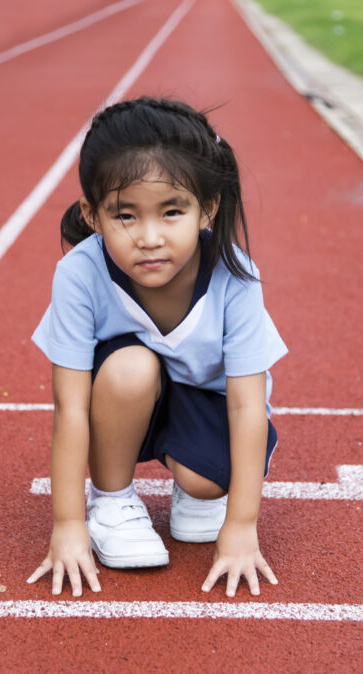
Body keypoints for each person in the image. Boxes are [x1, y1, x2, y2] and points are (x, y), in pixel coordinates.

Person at [26, 97, 287, 598]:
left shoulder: (235, 277)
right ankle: (113, 501)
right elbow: (71, 405)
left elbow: (249, 404)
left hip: (201, 401)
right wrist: (68, 525)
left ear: (207, 209)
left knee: (210, 482)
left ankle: (195, 492)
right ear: (92, 215)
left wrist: (241, 526)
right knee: (131, 366)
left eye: (172, 212)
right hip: (121, 396)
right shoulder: (79, 273)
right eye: (125, 215)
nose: (149, 238)